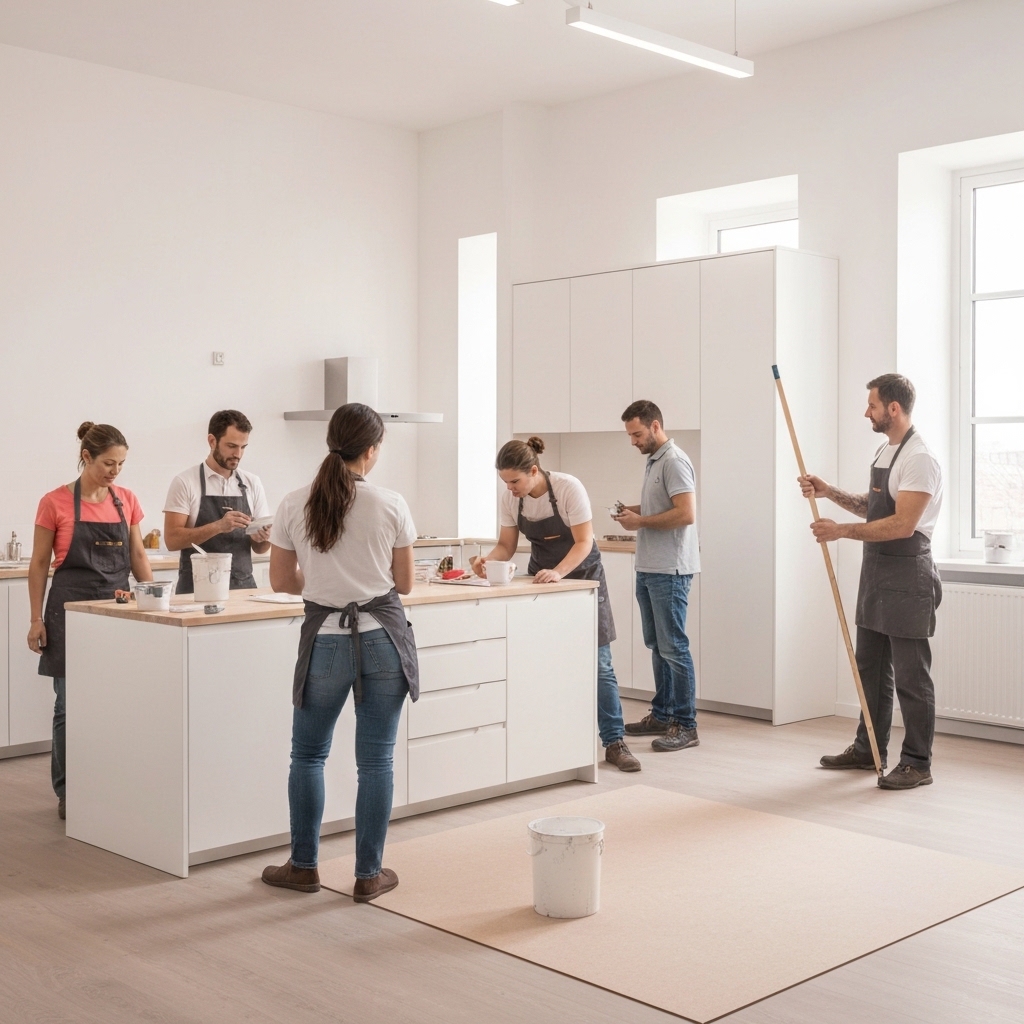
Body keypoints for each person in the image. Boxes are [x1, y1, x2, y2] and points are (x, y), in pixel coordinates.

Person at [262, 403, 418, 900]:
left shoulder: (292, 503)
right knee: (376, 763)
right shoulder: (391, 503)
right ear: (372, 450)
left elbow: (283, 580)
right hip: (382, 640)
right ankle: (368, 875)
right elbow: (406, 583)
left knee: (307, 756)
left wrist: (327, 582)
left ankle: (304, 866)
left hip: (325, 639)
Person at [800, 373, 942, 791]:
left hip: (908, 575)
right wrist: (829, 492)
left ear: (893, 409)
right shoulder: (887, 451)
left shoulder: (920, 459)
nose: (867, 412)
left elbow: (901, 524)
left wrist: (840, 531)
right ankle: (869, 749)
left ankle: (917, 762)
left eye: (872, 405)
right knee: (871, 669)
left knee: (912, 678)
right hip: (877, 575)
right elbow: (872, 508)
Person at [470, 437, 640, 773]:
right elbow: (506, 545)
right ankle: (552, 740)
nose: (510, 488)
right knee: (543, 662)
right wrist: (487, 562)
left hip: (583, 577)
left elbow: (583, 541)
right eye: (505, 482)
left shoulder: (567, 488)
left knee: (600, 663)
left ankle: (614, 741)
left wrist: (559, 572)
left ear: (533, 471)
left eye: (515, 481)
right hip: (543, 579)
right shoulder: (510, 498)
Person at [27, 422, 153, 820]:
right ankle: (69, 790)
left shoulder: (126, 500)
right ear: (86, 457)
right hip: (67, 611)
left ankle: (109, 782)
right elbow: (39, 563)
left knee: (113, 703)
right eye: (107, 463)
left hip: (116, 609)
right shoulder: (55, 502)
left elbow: (137, 555)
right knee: (69, 705)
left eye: (121, 464)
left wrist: (155, 602)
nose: (115, 471)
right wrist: (35, 619)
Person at [613, 400, 700, 753]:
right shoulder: (655, 461)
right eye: (630, 435)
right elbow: (662, 507)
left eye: (636, 434)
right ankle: (662, 714)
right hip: (649, 567)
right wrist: (632, 511)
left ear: (655, 426)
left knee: (674, 648)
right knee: (657, 646)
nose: (633, 441)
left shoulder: (675, 461)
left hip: (670, 569)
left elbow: (686, 514)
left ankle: (686, 725)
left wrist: (641, 522)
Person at [163, 410, 272, 593]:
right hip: (196, 592)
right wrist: (219, 526)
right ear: (212, 441)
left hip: (242, 591)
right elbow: (172, 540)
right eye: (231, 446)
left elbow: (260, 549)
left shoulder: (252, 483)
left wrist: (263, 538)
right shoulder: (185, 482)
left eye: (243, 447)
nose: (238, 454)